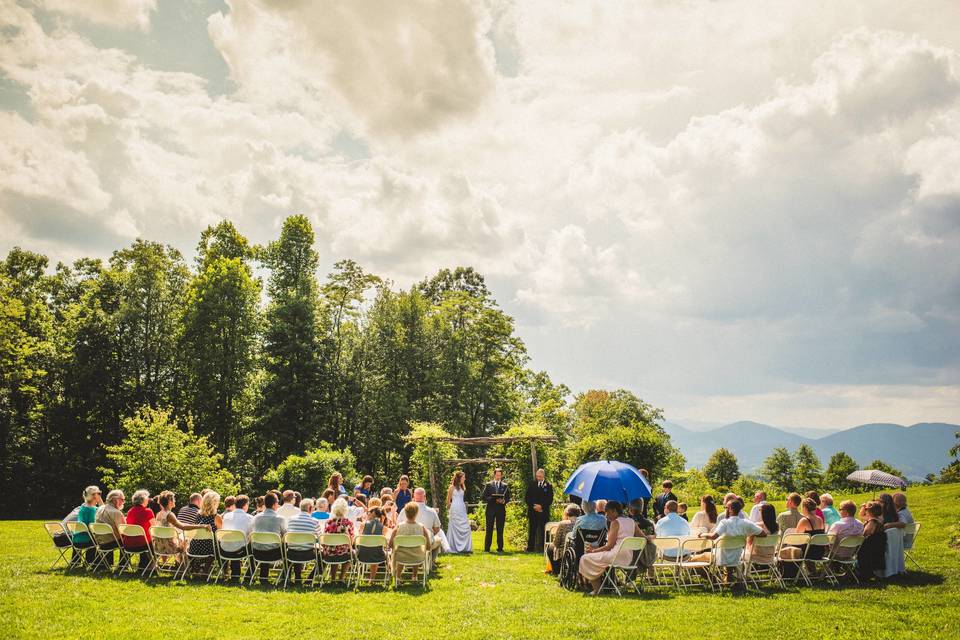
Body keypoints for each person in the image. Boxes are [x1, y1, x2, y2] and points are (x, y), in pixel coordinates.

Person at [697, 499, 765, 586]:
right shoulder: (746, 523)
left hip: (721, 557)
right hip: (737, 557)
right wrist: (748, 535)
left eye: (726, 507)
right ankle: (727, 578)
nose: (725, 509)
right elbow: (763, 534)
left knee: (694, 559)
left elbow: (714, 536)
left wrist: (702, 534)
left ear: (730, 509)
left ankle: (714, 579)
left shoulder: (724, 523)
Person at [579, 501, 640, 595]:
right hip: (628, 558)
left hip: (616, 556)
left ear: (614, 511)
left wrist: (593, 551)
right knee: (595, 558)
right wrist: (652, 537)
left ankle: (597, 589)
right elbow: (643, 538)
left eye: (607, 513)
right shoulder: (632, 521)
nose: (606, 516)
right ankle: (601, 586)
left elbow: (609, 546)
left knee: (585, 558)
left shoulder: (615, 522)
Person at [390, 502, 433, 581]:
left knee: (402, 550)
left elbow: (390, 543)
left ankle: (398, 576)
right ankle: (414, 576)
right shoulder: (421, 527)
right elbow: (428, 545)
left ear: (405, 513)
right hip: (417, 556)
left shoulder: (399, 526)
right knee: (416, 548)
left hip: (401, 556)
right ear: (417, 513)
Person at [220, 494, 253, 580]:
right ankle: (249, 575)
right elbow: (251, 535)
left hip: (224, 549)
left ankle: (235, 575)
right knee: (253, 547)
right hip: (239, 551)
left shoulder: (226, 516)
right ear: (245, 505)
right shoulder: (249, 518)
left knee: (237, 543)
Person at [322, 498, 355, 582]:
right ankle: (341, 577)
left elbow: (324, 539)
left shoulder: (328, 523)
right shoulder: (348, 523)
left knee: (334, 549)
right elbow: (351, 541)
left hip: (329, 554)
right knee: (350, 551)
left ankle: (333, 578)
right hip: (344, 554)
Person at [188, 491, 221, 574]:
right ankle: (224, 571)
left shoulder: (198, 515)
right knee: (222, 545)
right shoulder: (216, 517)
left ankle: (199, 567)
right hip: (209, 548)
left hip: (195, 547)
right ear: (214, 503)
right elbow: (220, 534)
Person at [123, 489, 155, 571]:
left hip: (128, 545)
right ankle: (151, 567)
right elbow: (154, 528)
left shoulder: (130, 511)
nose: (148, 499)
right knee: (155, 540)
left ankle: (144, 566)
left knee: (146, 539)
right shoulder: (148, 511)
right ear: (143, 500)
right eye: (147, 498)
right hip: (143, 545)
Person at [412, 487, 445, 564]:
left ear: (413, 497)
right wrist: (430, 534)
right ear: (425, 497)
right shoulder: (432, 511)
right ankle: (430, 562)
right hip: (426, 542)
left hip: (409, 541)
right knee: (439, 540)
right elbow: (437, 528)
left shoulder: (405, 510)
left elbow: (398, 524)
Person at [481, 468, 510, 553]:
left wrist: (504, 501)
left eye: (500, 475)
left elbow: (508, 497)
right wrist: (493, 499)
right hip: (490, 510)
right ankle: (487, 548)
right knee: (489, 529)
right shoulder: (488, 484)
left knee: (500, 530)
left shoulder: (505, 485)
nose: (498, 477)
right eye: (497, 475)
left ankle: (500, 548)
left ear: (501, 475)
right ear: (494, 475)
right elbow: (483, 497)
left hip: (501, 510)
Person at [524, 468, 553, 552]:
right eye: (537, 476)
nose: (538, 478)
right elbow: (527, 498)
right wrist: (534, 506)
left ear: (543, 476)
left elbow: (550, 499)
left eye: (540, 476)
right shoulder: (532, 484)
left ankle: (545, 549)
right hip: (533, 512)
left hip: (543, 512)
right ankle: (530, 548)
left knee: (544, 531)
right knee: (532, 530)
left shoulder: (548, 485)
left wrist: (541, 506)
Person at [546, 504, 580, 574]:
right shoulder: (581, 523)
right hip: (577, 550)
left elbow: (556, 543)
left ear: (567, 513)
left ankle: (556, 570)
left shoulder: (562, 524)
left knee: (550, 548)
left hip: (563, 552)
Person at [857, 501, 886, 580]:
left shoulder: (872, 521)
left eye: (866, 509)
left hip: (870, 546)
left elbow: (866, 533)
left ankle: (863, 573)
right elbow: (861, 515)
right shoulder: (880, 519)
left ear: (869, 511)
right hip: (878, 544)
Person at [357, 507, 388, 582]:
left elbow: (359, 539)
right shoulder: (384, 528)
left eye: (368, 513)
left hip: (362, 554)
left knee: (371, 548)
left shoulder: (363, 524)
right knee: (375, 548)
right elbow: (383, 542)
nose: (367, 514)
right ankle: (372, 578)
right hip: (378, 555)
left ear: (372, 513)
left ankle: (361, 575)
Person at [446, 470, 473, 554]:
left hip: (462, 508)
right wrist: (450, 509)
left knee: (466, 527)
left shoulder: (462, 487)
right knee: (454, 527)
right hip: (454, 509)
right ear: (459, 478)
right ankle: (453, 546)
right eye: (463, 477)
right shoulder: (452, 487)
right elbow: (448, 500)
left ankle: (465, 547)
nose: (464, 479)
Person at [73, 486, 101, 565]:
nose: (100, 495)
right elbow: (93, 527)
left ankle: (75, 562)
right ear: (94, 496)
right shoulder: (91, 510)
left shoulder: (83, 507)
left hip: (76, 539)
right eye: (98, 494)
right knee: (104, 539)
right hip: (87, 540)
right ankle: (92, 562)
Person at [879, 493, 906, 577]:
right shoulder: (895, 514)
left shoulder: (882, 516)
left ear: (883, 503)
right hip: (895, 543)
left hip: (883, 542)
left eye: (879, 501)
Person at [628, 499, 657, 571]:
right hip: (646, 554)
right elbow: (652, 536)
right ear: (642, 509)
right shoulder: (649, 523)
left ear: (630, 509)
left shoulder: (627, 523)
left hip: (630, 555)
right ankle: (650, 575)